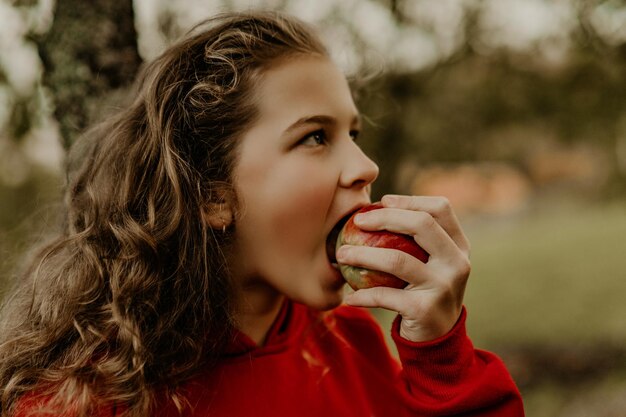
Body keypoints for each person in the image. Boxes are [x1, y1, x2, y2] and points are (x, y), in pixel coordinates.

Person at [0, 11, 524, 417]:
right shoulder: (91, 395)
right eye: (315, 137)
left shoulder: (355, 347)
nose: (366, 166)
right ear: (213, 195)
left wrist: (440, 353)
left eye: (353, 135)